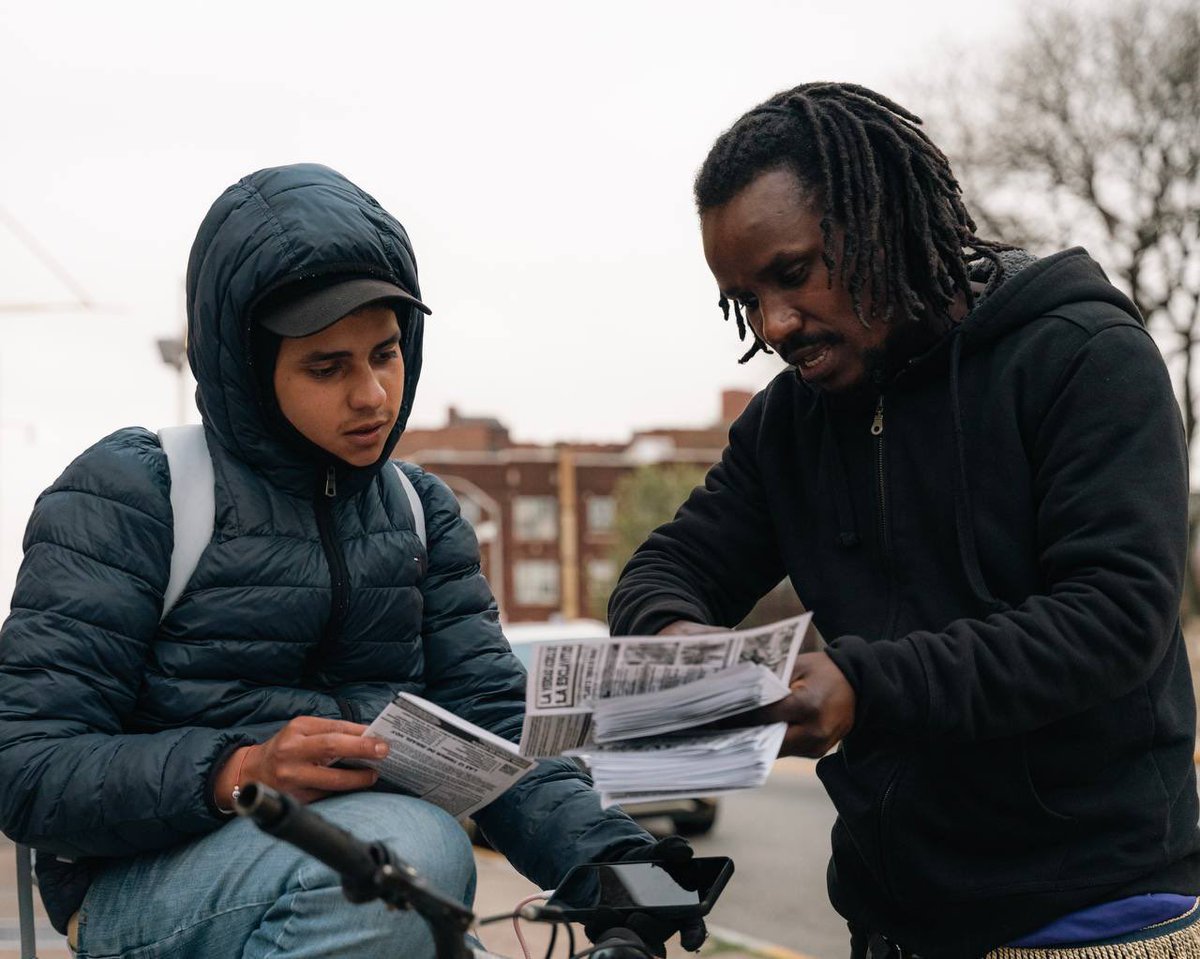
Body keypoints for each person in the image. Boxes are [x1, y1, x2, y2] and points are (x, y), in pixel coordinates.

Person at [0, 163, 702, 959]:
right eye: (327, 367)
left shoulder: (420, 512)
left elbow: (495, 733)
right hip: (144, 889)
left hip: (358, 883)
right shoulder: (135, 491)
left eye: (386, 352)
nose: (372, 395)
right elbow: (26, 765)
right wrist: (241, 770)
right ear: (249, 369)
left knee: (408, 881)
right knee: (414, 850)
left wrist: (614, 866)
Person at [607, 83, 1200, 959]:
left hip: (1096, 911)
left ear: (878, 220)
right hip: (896, 923)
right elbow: (663, 569)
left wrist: (862, 684)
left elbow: (1114, 617)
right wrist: (686, 644)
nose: (774, 324)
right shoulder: (789, 425)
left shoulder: (1080, 356)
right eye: (744, 299)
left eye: (794, 273)